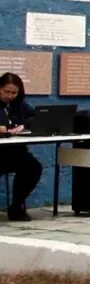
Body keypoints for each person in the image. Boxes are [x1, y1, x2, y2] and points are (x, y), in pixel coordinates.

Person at [0, 73, 41, 222]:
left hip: (14, 151)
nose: (10, 96)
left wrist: (24, 125)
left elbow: (34, 116)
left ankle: (16, 206)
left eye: (14, 93)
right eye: (6, 92)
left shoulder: (19, 104)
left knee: (33, 167)